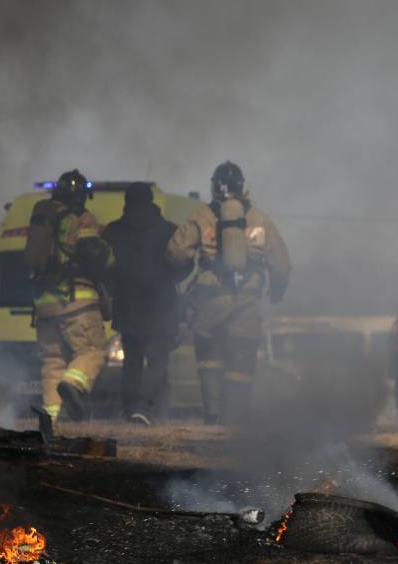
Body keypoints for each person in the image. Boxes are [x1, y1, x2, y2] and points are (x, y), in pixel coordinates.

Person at [166, 161, 290, 424]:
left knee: (209, 357)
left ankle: (212, 415)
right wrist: (277, 291)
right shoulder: (259, 219)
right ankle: (235, 419)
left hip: (211, 299)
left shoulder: (202, 216)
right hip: (247, 301)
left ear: (214, 187)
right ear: (242, 187)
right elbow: (281, 263)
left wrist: (186, 265)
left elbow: (176, 252)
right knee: (242, 361)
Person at [24, 169, 114, 422]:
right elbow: (92, 252)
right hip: (77, 299)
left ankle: (50, 420)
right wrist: (110, 254)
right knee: (93, 351)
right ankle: (73, 385)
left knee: (53, 362)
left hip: (44, 303)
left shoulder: (43, 216)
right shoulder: (81, 218)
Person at [101, 182, 187, 425]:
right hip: (162, 305)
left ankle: (131, 409)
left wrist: (115, 287)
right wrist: (169, 281)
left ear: (126, 202)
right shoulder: (169, 230)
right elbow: (185, 263)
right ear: (151, 201)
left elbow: (102, 266)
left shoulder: (113, 231)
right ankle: (144, 406)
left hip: (127, 306)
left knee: (132, 362)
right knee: (158, 360)